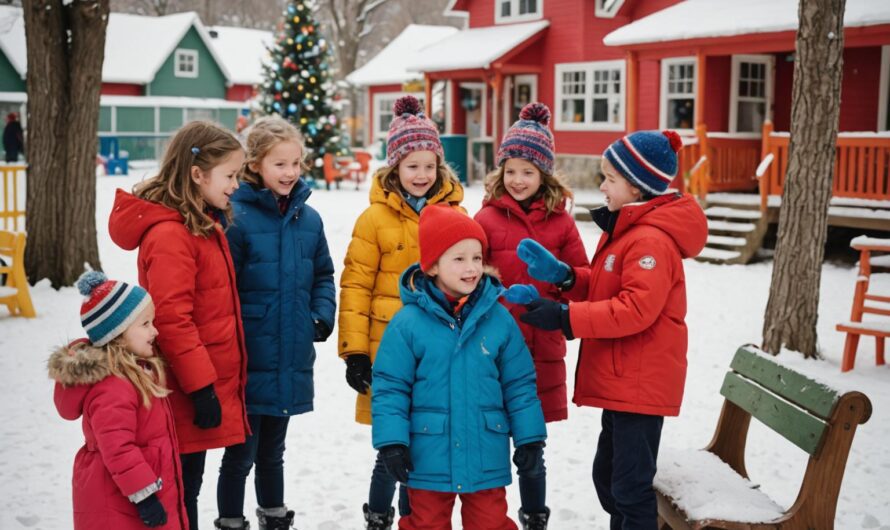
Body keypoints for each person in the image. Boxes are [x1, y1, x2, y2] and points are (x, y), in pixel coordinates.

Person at [506, 130, 708, 529]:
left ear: (636, 187)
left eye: (610, 179)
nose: (601, 186)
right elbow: (608, 284)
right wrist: (566, 277)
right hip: (623, 383)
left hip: (639, 384)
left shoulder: (650, 241)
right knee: (610, 480)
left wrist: (565, 318)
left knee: (629, 489)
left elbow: (635, 309)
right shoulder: (630, 230)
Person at [109, 121, 250, 530]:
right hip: (185, 388)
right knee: (182, 490)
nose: (236, 186)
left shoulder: (200, 224)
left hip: (197, 382)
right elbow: (172, 318)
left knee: (189, 486)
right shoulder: (172, 235)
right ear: (196, 174)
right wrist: (201, 387)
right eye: (230, 175)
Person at [372, 205, 547, 530]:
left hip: (485, 449)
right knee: (426, 523)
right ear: (433, 266)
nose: (471, 268)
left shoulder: (499, 320)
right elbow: (390, 388)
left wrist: (530, 439)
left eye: (477, 258)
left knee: (490, 523)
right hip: (427, 453)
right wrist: (392, 443)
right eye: (459, 258)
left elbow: (519, 385)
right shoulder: (408, 324)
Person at [338, 95, 464, 529]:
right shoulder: (373, 220)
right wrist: (355, 352)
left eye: (429, 166)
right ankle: (378, 516)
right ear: (395, 168)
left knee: (426, 444)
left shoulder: (454, 214)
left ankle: (416, 519)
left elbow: (467, 277)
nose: (422, 175)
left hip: (437, 355)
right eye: (412, 166)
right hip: (388, 354)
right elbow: (355, 284)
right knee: (391, 445)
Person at [218, 116, 336, 530]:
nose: (290, 173)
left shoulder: (310, 219)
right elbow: (222, 285)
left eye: (297, 164)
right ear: (255, 164)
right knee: (240, 453)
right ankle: (231, 520)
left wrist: (320, 316)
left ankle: (273, 517)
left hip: (289, 351)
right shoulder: (236, 217)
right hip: (249, 353)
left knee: (273, 450)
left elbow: (323, 273)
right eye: (280, 164)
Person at [474, 102, 587, 529]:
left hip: (541, 348)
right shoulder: (484, 217)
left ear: (544, 174)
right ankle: (490, 517)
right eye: (511, 169)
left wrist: (559, 296)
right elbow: (467, 272)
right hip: (492, 350)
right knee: (490, 440)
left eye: (528, 171)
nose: (518, 179)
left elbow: (583, 278)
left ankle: (535, 515)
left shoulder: (562, 224)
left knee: (531, 445)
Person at [49, 271, 187, 529]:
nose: (154, 331)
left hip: (134, 493)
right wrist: (144, 495)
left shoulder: (138, 371)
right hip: (121, 503)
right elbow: (117, 447)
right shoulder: (114, 386)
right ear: (118, 333)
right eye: (145, 324)